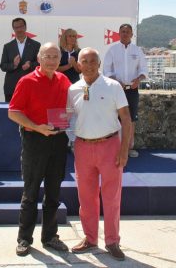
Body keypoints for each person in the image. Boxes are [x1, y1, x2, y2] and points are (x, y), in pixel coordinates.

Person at [8, 42, 71, 256]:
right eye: (48, 56)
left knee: (54, 192)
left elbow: (69, 108)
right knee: (31, 192)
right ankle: (24, 239)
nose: (52, 60)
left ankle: (50, 237)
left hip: (58, 141)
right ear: (39, 57)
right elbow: (13, 112)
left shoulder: (64, 79)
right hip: (35, 140)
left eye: (56, 56)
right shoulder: (26, 81)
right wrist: (36, 127)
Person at [68, 47, 131, 261]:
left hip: (110, 145)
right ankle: (90, 238)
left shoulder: (113, 86)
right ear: (78, 65)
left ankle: (112, 241)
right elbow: (65, 117)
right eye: (84, 61)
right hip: (83, 147)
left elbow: (127, 119)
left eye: (93, 61)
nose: (89, 64)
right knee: (86, 197)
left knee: (112, 197)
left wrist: (124, 151)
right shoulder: (73, 89)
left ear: (99, 64)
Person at [103, 24, 148, 158]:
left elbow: (143, 69)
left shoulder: (137, 50)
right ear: (119, 33)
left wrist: (139, 80)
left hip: (132, 90)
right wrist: (116, 81)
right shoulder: (112, 50)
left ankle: (128, 148)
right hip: (116, 90)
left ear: (132, 34)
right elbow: (106, 70)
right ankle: (114, 148)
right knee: (115, 118)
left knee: (131, 119)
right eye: (123, 31)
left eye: (128, 31)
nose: (125, 33)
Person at [0, 18, 41, 102]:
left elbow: (40, 63)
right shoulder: (8, 46)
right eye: (16, 27)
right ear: (13, 29)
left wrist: (30, 65)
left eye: (21, 26)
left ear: (25, 27)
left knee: (30, 114)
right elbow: (3, 66)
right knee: (11, 114)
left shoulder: (36, 45)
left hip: (31, 86)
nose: (19, 29)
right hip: (12, 87)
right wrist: (13, 65)